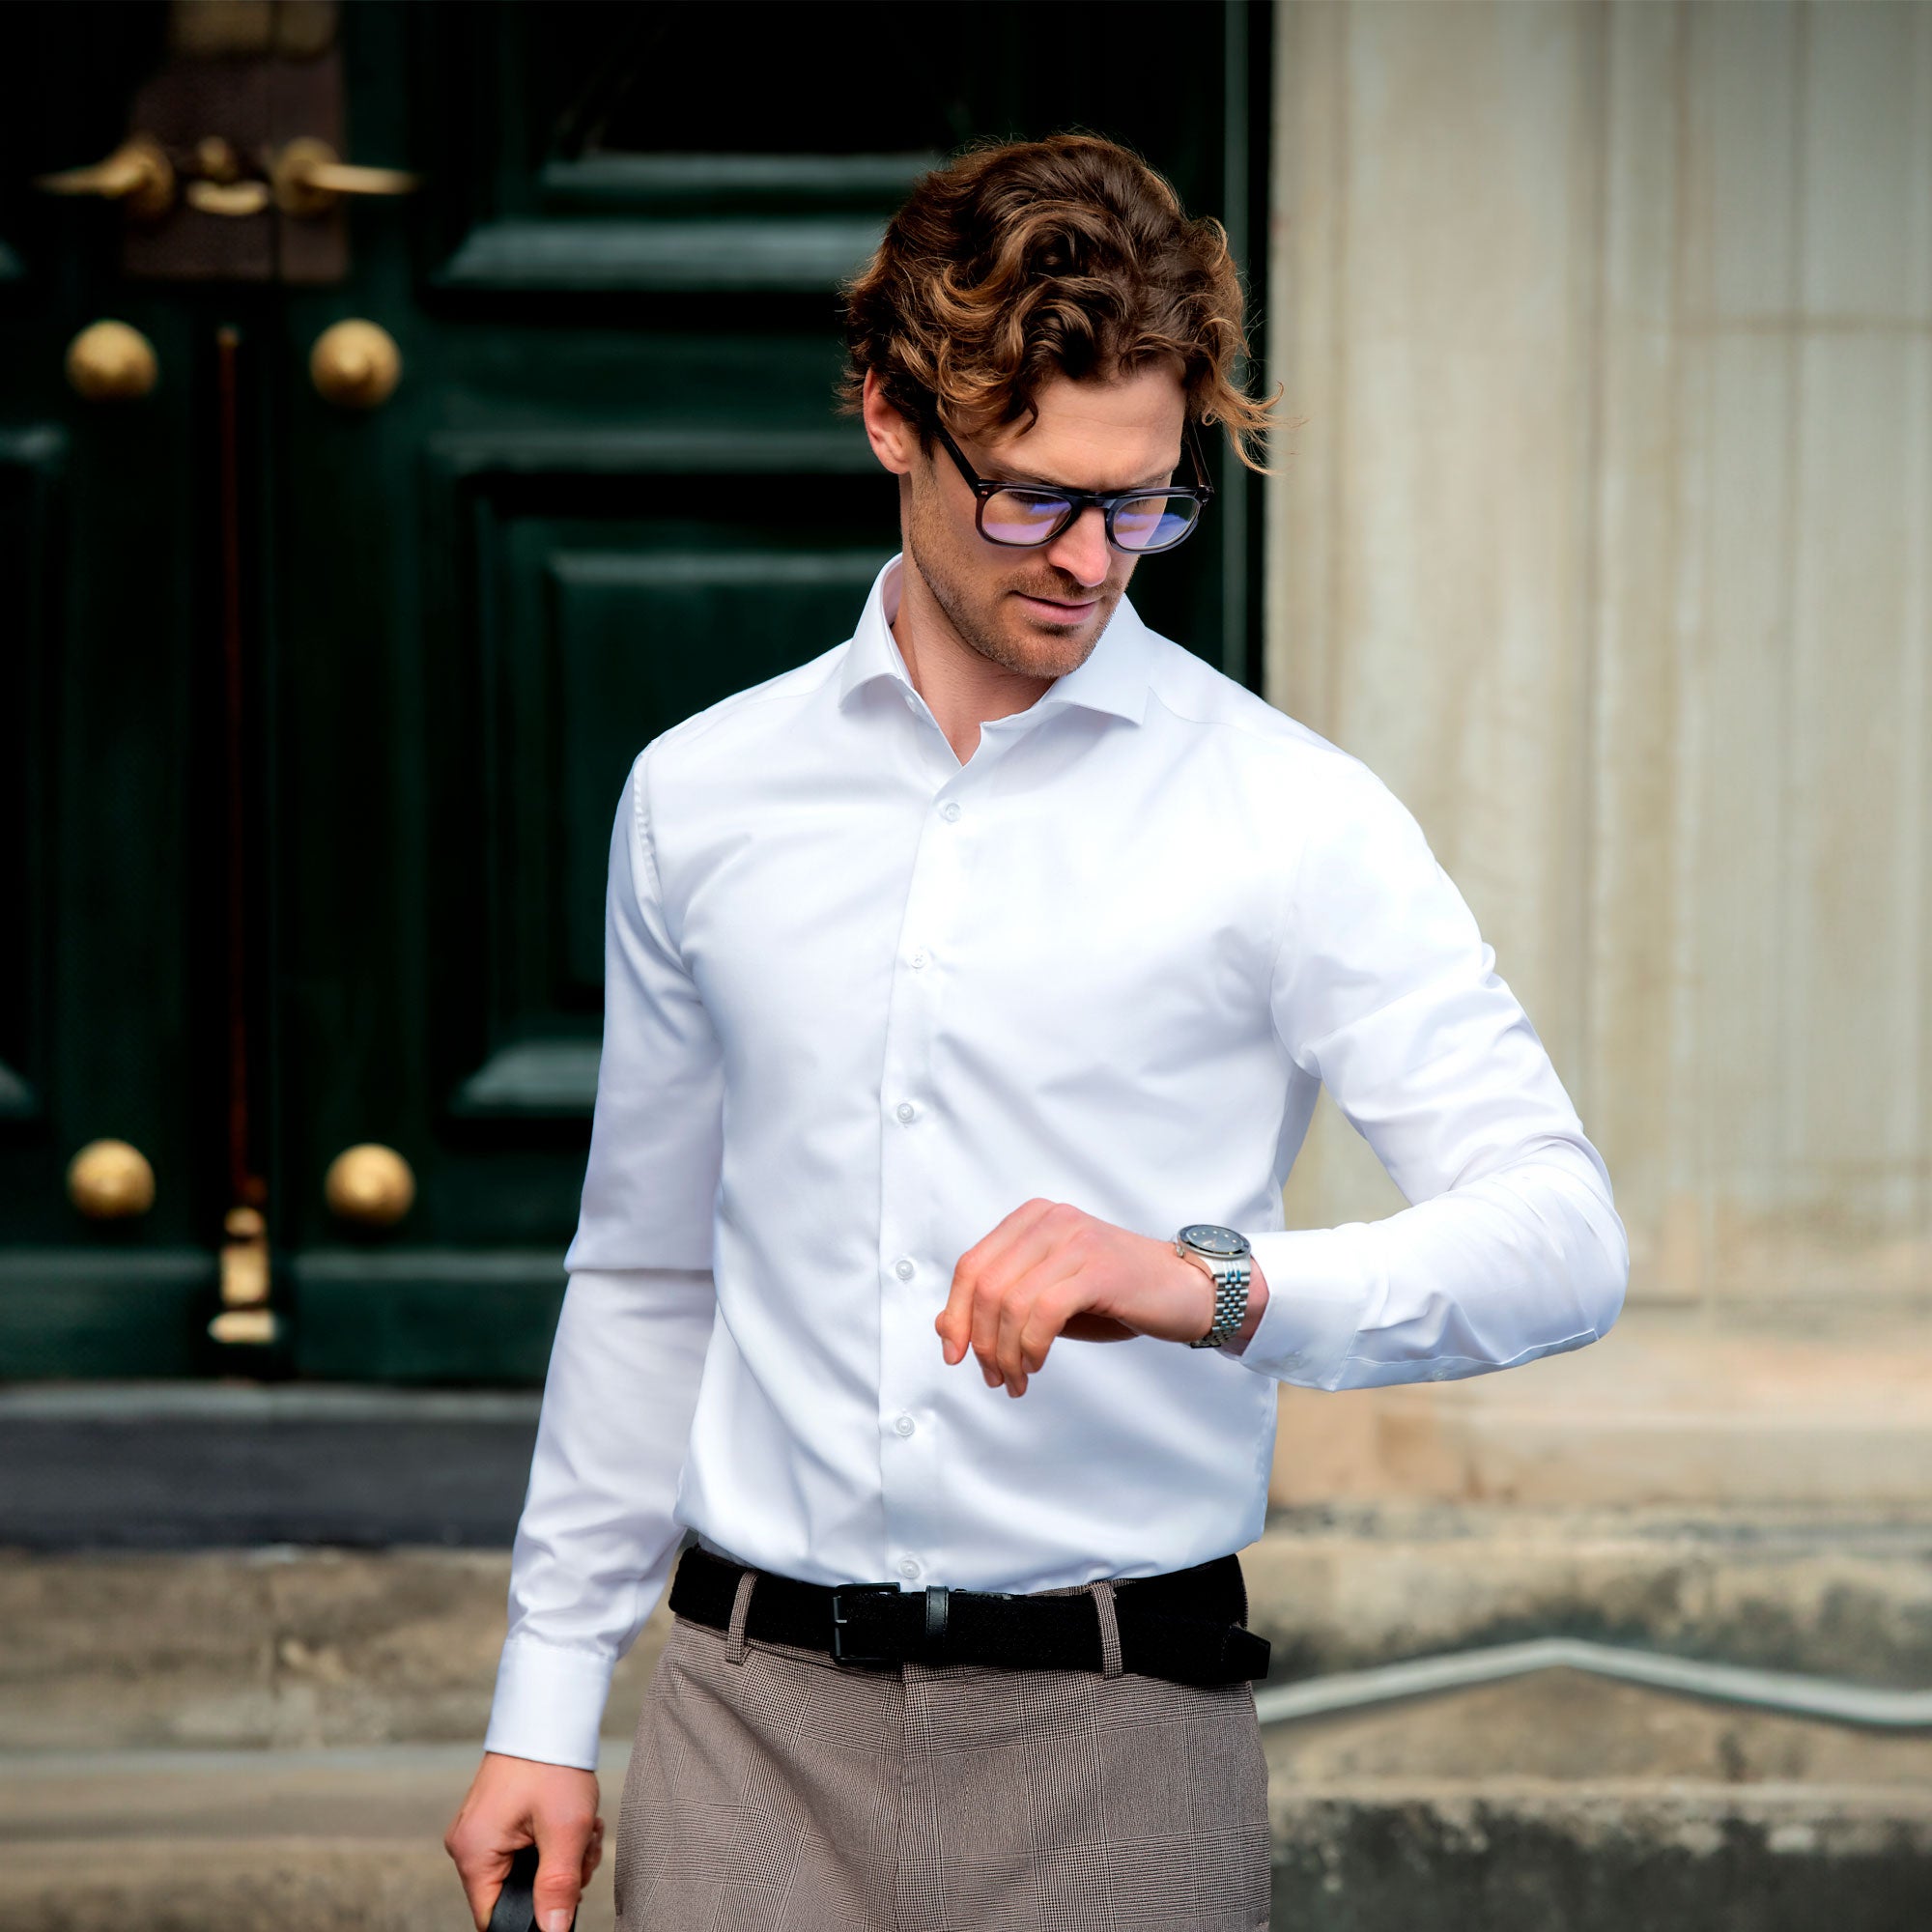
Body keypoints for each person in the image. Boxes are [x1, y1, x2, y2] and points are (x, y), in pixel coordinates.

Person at [444, 133, 1628, 1932]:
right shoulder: (701, 793)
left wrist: (1197, 1282)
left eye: (1143, 504)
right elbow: (647, 1270)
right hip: (745, 1729)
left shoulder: (1290, 818)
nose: (1091, 562)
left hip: (1121, 1737)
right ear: (889, 418)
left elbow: (1561, 1236)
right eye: (1033, 500)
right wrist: (545, 1698)